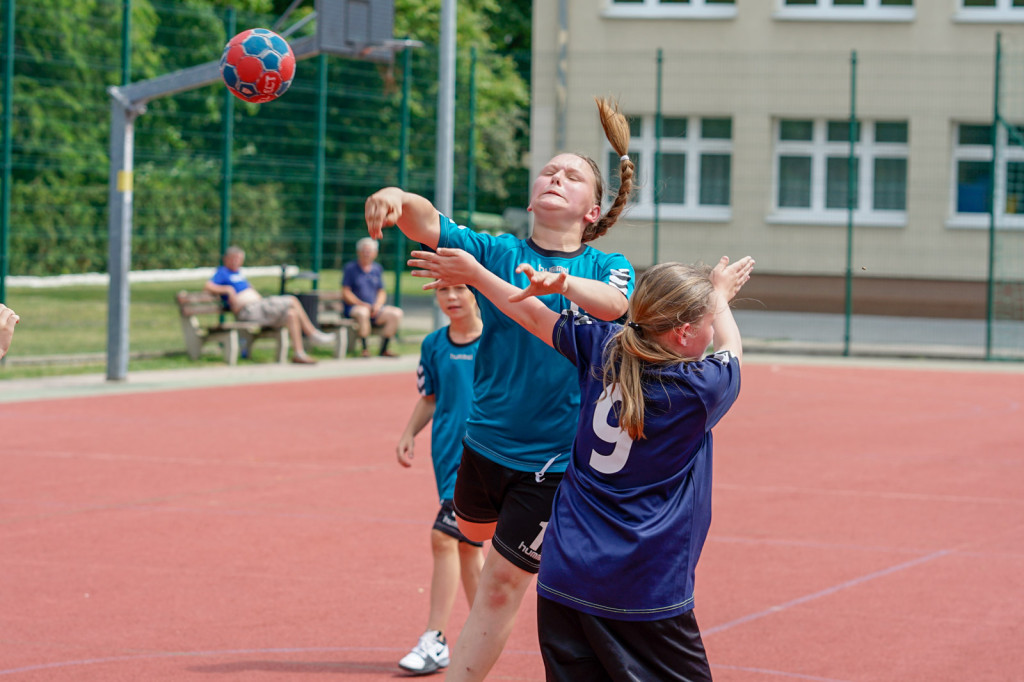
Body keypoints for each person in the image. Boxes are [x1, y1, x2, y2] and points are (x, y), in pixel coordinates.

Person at [365, 97, 637, 682]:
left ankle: (463, 653)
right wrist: (397, 199)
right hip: (483, 443)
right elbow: (426, 221)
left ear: (591, 210)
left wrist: (562, 284)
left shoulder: (608, 264)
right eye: (549, 170)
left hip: (554, 460)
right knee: (469, 537)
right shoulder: (499, 250)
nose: (555, 177)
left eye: (571, 176)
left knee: (502, 585)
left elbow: (616, 307)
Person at [408, 248, 754, 681]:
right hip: (644, 588)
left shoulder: (603, 345)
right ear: (684, 333)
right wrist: (720, 295)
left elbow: (532, 315)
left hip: (564, 578)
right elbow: (731, 346)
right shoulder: (700, 388)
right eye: (702, 322)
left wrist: (478, 274)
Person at [395, 283, 486, 675]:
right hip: (446, 455)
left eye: (459, 288)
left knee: (444, 536)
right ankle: (484, 634)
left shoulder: (498, 341)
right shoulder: (434, 344)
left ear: (476, 294)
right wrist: (407, 433)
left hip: (484, 456)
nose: (450, 296)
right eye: (443, 290)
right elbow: (430, 397)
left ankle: (435, 637)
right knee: (467, 549)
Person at [204, 246, 334, 365]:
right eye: (234, 258)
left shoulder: (238, 274)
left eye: (239, 259)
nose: (237, 262)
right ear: (226, 259)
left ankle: (299, 353)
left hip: (259, 307)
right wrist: (227, 289)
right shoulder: (223, 272)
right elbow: (208, 286)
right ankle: (313, 334)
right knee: (292, 300)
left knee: (292, 314)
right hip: (249, 311)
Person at [341, 237, 404, 357]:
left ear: (375, 253)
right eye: (364, 250)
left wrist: (378, 305)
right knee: (363, 312)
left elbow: (381, 292)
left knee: (396, 313)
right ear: (358, 252)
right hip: (355, 308)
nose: (366, 253)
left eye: (369, 251)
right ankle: (365, 349)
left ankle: (384, 349)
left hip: (374, 310)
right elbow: (346, 292)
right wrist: (361, 304)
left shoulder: (377, 269)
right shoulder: (350, 268)